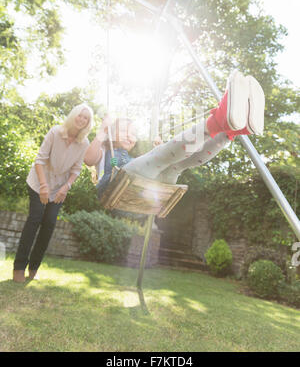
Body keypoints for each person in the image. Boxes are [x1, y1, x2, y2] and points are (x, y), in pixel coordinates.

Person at [84, 70, 264, 199]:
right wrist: (102, 131)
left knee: (177, 164)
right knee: (160, 157)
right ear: (110, 134)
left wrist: (159, 151)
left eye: (133, 133)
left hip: (150, 182)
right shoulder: (108, 153)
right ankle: (219, 122)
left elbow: (149, 164)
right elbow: (89, 160)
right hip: (115, 184)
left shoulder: (130, 158)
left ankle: (228, 132)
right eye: (123, 131)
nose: (129, 136)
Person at [13, 104, 94, 283]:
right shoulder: (56, 132)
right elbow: (39, 160)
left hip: (58, 189)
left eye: (86, 118)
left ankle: (33, 269)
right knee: (34, 219)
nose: (81, 120)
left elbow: (76, 169)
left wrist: (66, 187)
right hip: (38, 183)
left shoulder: (84, 143)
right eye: (80, 115)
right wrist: (43, 186)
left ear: (88, 123)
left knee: (49, 224)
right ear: (73, 115)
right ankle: (19, 268)